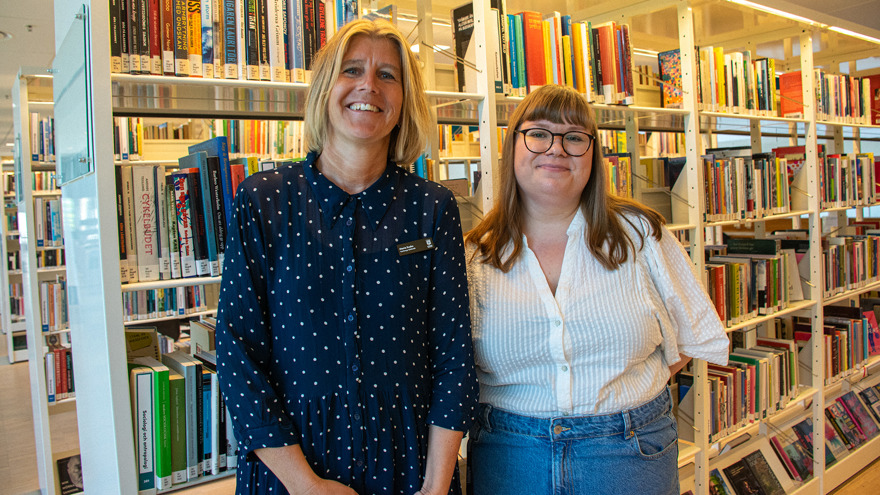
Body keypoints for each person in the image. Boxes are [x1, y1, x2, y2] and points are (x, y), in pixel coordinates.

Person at [216, 19, 477, 495]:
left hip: (412, 468)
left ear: (404, 101)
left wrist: (436, 487)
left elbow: (453, 354)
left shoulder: (432, 208)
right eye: (351, 70)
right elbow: (237, 354)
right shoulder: (264, 201)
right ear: (324, 89)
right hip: (291, 471)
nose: (368, 86)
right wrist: (306, 485)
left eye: (387, 75)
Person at [464, 84, 730, 494]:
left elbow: (694, 333)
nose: (556, 148)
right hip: (508, 456)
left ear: (593, 155)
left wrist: (623, 396)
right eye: (538, 133)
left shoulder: (641, 235)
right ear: (512, 145)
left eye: (574, 137)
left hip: (627, 453)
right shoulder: (474, 256)